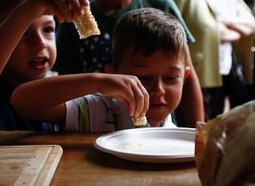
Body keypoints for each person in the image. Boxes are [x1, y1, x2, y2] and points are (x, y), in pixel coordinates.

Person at [54, 0, 204, 127]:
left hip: (159, 131)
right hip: (95, 130)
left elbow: (187, 78)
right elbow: (64, 86)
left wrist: (198, 133)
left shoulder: (162, 7)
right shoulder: (72, 21)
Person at [0, 0, 149, 134]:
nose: (41, 43)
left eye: (48, 29)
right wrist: (30, 8)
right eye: (22, 33)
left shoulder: (60, 92)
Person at [13, 8, 189, 131]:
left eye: (171, 78)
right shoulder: (100, 110)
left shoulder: (169, 127)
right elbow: (22, 101)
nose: (158, 90)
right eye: (142, 77)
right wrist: (97, 82)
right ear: (114, 75)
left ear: (184, 77)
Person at [170, 0, 255, 120]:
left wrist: (227, 24)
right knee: (203, 121)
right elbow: (173, 26)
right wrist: (223, 29)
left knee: (233, 118)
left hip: (229, 65)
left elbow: (250, 24)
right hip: (201, 67)